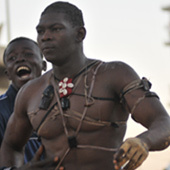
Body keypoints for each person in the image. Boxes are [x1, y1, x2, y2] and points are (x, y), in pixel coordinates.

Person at [0, 1, 170, 170]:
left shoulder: (115, 74)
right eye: (40, 31)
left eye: (56, 29)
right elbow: (11, 146)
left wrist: (144, 141)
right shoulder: (30, 93)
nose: (45, 37)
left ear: (80, 34)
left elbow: (163, 123)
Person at [0, 37, 47, 163]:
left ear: (44, 65)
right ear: (7, 74)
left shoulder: (61, 102)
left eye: (28, 54)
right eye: (12, 58)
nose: (20, 59)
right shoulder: (1, 109)